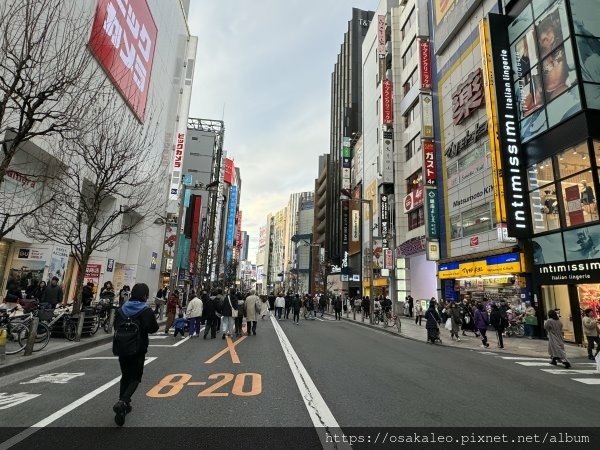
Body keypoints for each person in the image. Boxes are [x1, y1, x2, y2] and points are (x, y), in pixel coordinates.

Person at [112, 283, 158, 426]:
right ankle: (124, 401)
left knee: (125, 375)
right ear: (144, 295)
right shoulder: (145, 311)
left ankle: (123, 405)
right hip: (138, 348)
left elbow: (115, 326)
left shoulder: (122, 309)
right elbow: (153, 328)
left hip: (121, 347)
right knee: (135, 377)